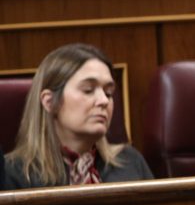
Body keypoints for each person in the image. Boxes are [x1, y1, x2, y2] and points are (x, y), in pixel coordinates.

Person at [3, 44, 153, 189]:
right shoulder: (13, 173)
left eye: (108, 93)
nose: (104, 101)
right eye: (88, 90)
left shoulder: (130, 162)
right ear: (49, 102)